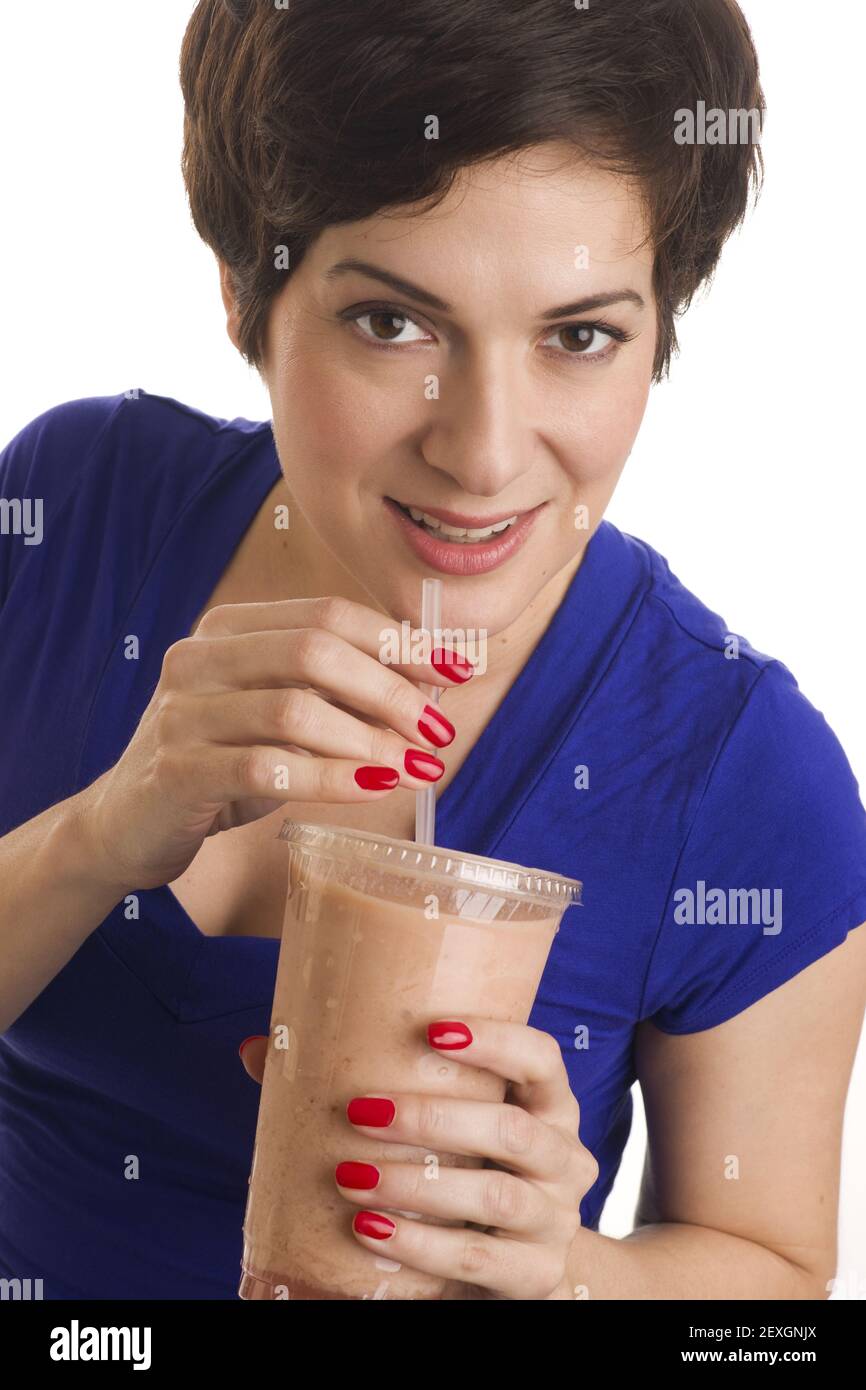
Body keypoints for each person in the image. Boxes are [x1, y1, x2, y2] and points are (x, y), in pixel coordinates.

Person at [1, 0, 865, 1302]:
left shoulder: (737, 772)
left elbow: (772, 1284)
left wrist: (563, 1271)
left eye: (578, 335)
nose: (482, 452)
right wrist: (99, 828)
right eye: (392, 324)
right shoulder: (74, 505)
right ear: (245, 289)